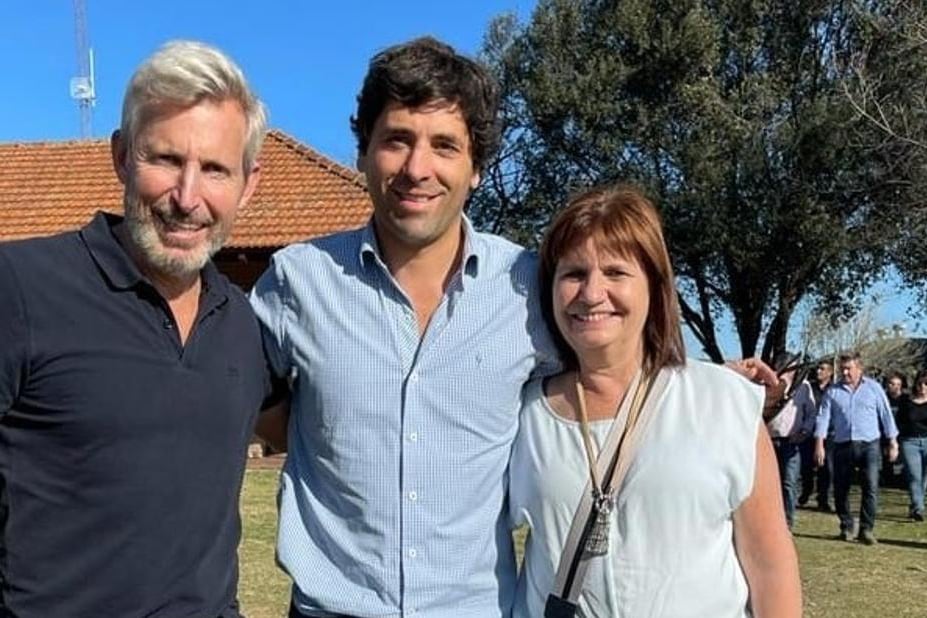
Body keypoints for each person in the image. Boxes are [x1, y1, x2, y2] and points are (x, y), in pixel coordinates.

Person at [251, 37, 777, 617]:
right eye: (396, 139)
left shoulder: (528, 287)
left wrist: (706, 383)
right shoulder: (296, 283)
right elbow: (256, 411)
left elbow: (608, 362)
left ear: (476, 168)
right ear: (363, 152)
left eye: (444, 145)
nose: (417, 168)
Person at [0, 41, 270, 616]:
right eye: (166, 160)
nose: (187, 197)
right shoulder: (20, 287)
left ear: (248, 184)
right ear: (123, 156)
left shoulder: (242, 324)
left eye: (216, 170)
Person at [508, 185, 801, 617]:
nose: (591, 293)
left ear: (654, 286)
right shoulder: (523, 413)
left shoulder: (725, 403)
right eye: (573, 274)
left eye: (615, 272)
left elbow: (769, 564)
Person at [814, 351, 899, 545]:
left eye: (849, 368)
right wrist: (819, 444)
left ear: (859, 368)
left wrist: (893, 442)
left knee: (870, 486)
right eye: (842, 369)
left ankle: (866, 529)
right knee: (841, 488)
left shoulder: (874, 389)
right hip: (843, 444)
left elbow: (886, 416)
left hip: (870, 444)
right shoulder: (833, 392)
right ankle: (846, 525)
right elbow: (823, 419)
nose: (845, 372)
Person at [765, 356, 817, 529]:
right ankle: (771, 519)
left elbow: (811, 413)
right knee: (771, 483)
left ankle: (787, 521)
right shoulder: (769, 385)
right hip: (770, 441)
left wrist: (804, 431)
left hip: (791, 441)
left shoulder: (803, 387)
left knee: (789, 482)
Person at [897, 370, 927, 521]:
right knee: (914, 475)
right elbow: (899, 421)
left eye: (926, 384)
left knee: (924, 477)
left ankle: (916, 503)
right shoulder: (906, 401)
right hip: (910, 442)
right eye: (920, 383)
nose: (923, 387)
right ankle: (918, 508)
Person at [811, 360, 836, 512]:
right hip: (807, 431)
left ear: (830, 372)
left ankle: (824, 498)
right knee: (807, 469)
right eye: (817, 368)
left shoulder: (834, 390)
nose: (818, 371)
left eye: (822, 369)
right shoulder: (808, 388)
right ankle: (807, 491)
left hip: (829, 434)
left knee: (827, 467)